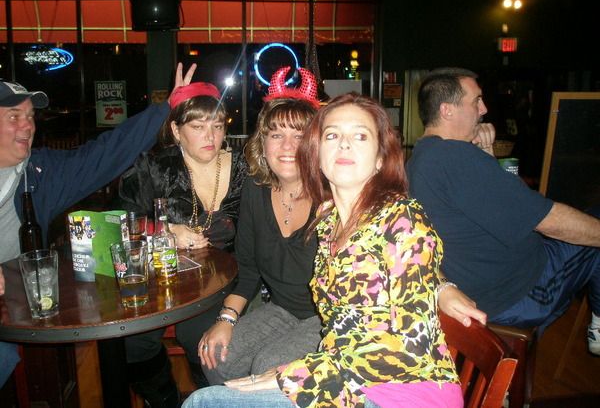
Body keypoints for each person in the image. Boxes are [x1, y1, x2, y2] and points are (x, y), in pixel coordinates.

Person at [183, 93, 465, 408]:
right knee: (214, 374)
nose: (344, 145)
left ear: (380, 158)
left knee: (204, 401)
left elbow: (402, 338)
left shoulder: (401, 219)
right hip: (345, 369)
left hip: (397, 393)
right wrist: (229, 319)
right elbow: (346, 326)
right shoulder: (330, 220)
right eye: (332, 135)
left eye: (360, 136)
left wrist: (292, 375)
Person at [0, 64, 195, 389]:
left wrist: (164, 110)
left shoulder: (38, 173)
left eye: (30, 116)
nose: (27, 125)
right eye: (14, 116)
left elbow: (103, 154)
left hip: (15, 305)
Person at [406, 67, 600, 354]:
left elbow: (507, 200)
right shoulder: (454, 157)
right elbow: (547, 219)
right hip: (521, 293)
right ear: (447, 110)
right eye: (476, 100)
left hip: (482, 291)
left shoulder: (420, 158)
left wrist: (486, 152)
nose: (484, 109)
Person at [118, 79, 249, 406]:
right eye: (198, 126)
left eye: (217, 126)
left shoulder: (244, 168)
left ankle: (209, 398)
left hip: (227, 281)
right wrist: (164, 230)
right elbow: (121, 220)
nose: (210, 136)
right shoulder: (153, 168)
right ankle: (167, 400)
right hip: (164, 277)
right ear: (176, 131)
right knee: (133, 344)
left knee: (201, 341)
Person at [198, 66, 322, 385]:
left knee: (267, 366)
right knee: (216, 355)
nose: (287, 147)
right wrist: (226, 318)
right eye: (276, 135)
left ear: (315, 144)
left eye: (299, 136)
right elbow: (248, 268)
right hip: (281, 310)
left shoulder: (333, 196)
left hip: (328, 320)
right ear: (262, 143)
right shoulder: (255, 188)